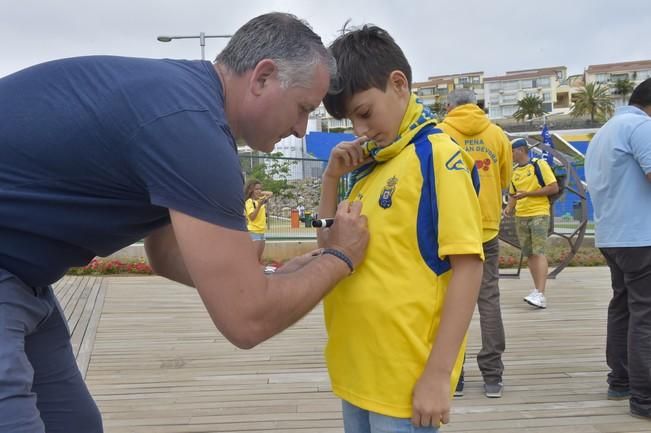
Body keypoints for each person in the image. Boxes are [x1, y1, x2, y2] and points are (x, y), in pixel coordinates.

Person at [0, 12, 369, 433]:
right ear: (263, 77)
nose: (302, 131)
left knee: (73, 423)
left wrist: (276, 275)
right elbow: (247, 320)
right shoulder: (192, 130)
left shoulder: (180, 104)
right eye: (303, 108)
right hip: (9, 270)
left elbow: (165, 255)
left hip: (23, 275)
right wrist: (339, 256)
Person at [317, 24, 484, 432]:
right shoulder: (373, 165)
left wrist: (438, 375)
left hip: (404, 384)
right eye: (349, 121)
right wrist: (330, 181)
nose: (359, 130)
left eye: (364, 113)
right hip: (358, 370)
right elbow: (329, 251)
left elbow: (469, 266)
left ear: (398, 85)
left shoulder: (437, 156)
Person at [438, 89, 512, 398]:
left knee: (449, 301)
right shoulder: (497, 135)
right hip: (487, 228)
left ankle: (455, 377)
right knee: (489, 300)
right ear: (477, 106)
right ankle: (493, 376)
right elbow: (505, 179)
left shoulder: (439, 133)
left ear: (449, 106)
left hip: (451, 229)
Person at [584, 78, 651, 420]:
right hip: (641, 236)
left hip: (611, 235)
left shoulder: (604, 133)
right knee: (646, 314)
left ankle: (620, 380)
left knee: (623, 306)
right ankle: (645, 399)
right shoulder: (641, 127)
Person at [504, 138, 559, 309]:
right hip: (521, 216)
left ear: (520, 150)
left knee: (539, 251)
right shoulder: (514, 172)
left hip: (539, 213)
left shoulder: (539, 165)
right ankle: (536, 290)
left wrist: (528, 194)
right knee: (529, 254)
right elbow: (513, 194)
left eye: (511, 151)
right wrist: (508, 210)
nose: (510, 155)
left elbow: (553, 187)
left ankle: (541, 293)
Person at [244, 179, 273, 263]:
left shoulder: (260, 199)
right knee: (254, 259)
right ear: (251, 190)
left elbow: (271, 193)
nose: (259, 191)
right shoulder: (249, 202)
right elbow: (252, 217)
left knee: (259, 259)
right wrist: (259, 205)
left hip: (261, 232)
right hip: (254, 232)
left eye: (260, 188)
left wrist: (260, 193)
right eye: (256, 189)